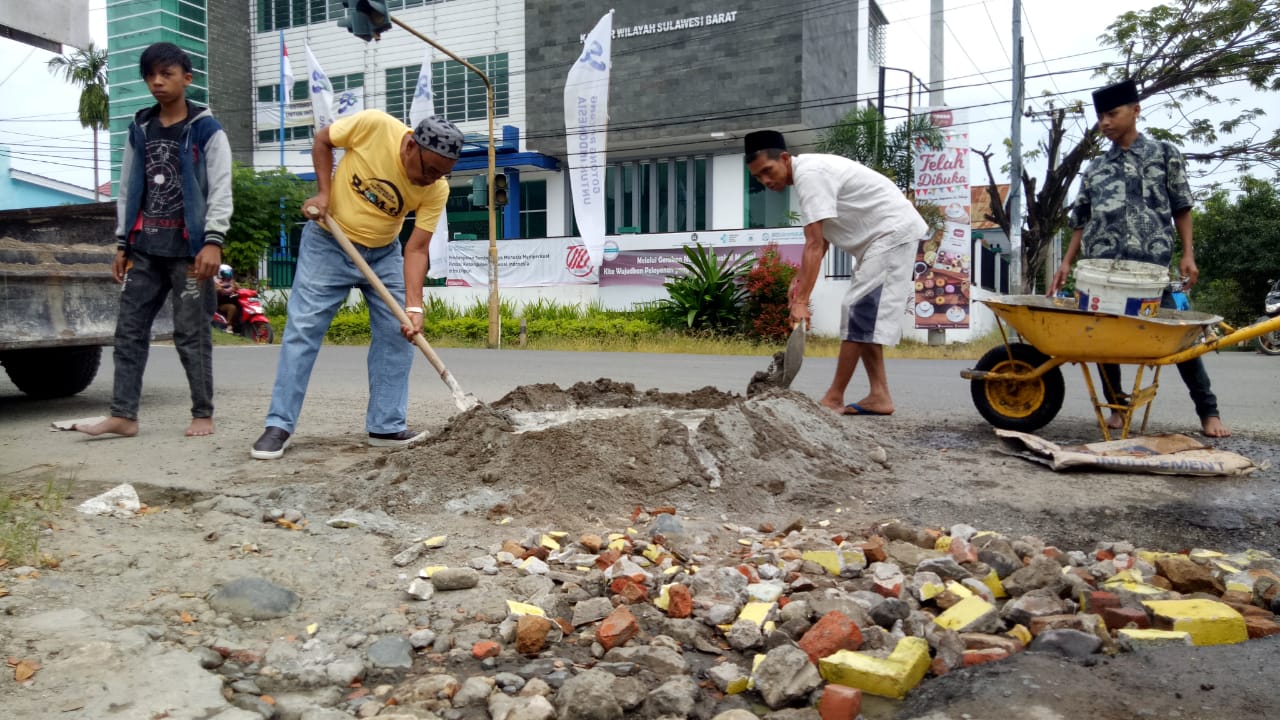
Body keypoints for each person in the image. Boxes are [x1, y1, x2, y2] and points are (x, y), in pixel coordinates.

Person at [251, 111, 462, 460]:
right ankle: (279, 424)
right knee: (303, 331)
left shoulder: (437, 188)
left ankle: (385, 425)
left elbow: (417, 247)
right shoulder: (375, 127)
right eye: (429, 170)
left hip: (384, 254)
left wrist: (414, 307)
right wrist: (323, 193)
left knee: (399, 332)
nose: (431, 180)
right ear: (411, 145)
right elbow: (323, 139)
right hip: (328, 241)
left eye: (442, 174)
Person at [1050, 79, 1230, 438]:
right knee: (1104, 339)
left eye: (1112, 114)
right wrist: (1067, 262)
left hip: (1152, 270)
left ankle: (1208, 413)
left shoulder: (1165, 154)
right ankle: (1116, 406)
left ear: (1135, 110)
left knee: (1181, 338)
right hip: (1102, 269)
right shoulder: (1095, 168)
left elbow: (1182, 207)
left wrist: (1188, 254)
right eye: (1100, 116)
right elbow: (1080, 220)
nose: (1104, 122)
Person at [72, 42, 232, 439]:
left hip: (189, 253)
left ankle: (202, 413)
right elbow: (127, 188)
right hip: (145, 249)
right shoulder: (140, 128)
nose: (157, 82)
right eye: (151, 75)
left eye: (167, 74)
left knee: (190, 335)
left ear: (186, 78)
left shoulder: (206, 129)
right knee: (128, 331)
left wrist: (213, 240)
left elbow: (221, 189)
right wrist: (122, 243)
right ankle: (123, 415)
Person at [745, 129, 927, 416]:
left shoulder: (810, 174)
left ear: (783, 158)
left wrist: (802, 301)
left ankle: (833, 398)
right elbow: (824, 239)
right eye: (758, 177)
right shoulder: (809, 176)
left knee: (856, 308)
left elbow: (815, 244)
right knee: (863, 313)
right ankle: (879, 395)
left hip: (892, 234)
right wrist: (800, 285)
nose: (766, 181)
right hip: (878, 242)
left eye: (768, 171)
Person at [215, 264, 240, 331]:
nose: (228, 274)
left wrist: (236, 287)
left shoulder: (232, 281)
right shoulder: (218, 282)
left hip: (231, 300)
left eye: (229, 272)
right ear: (221, 273)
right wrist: (225, 289)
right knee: (232, 307)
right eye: (226, 273)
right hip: (220, 304)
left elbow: (237, 288)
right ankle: (228, 325)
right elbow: (221, 290)